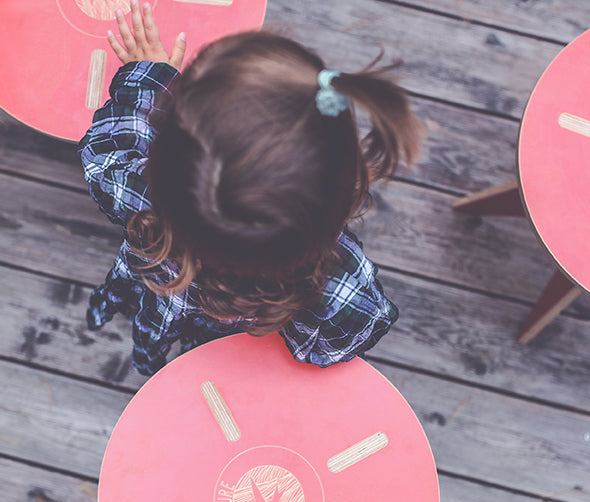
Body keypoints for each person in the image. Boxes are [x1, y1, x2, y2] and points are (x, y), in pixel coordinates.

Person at [80, 0, 423, 375]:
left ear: (161, 166)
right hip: (244, 357)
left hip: (158, 306)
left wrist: (150, 76)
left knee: (153, 346)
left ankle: (147, 363)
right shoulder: (336, 279)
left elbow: (107, 155)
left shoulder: (142, 201)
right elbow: (347, 334)